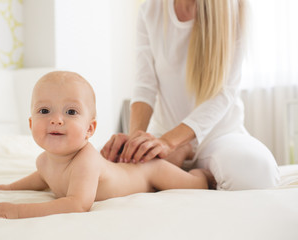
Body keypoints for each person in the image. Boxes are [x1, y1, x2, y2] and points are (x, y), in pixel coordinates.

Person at [0, 71, 215, 219]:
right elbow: (40, 178)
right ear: (31, 122)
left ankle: (195, 164)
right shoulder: (43, 161)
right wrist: (9, 188)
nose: (56, 119)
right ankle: (180, 154)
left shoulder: (86, 160)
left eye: (71, 112)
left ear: (90, 129)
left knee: (195, 184)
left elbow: (77, 205)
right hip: (130, 167)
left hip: (148, 173)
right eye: (44, 111)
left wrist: (16, 211)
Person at [101, 0, 280, 190]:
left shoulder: (236, 8)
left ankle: (184, 154)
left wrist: (170, 142)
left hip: (220, 135)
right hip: (164, 133)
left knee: (259, 173)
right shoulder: (150, 9)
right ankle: (184, 160)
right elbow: (145, 86)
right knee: (104, 174)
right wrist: (134, 142)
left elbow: (224, 93)